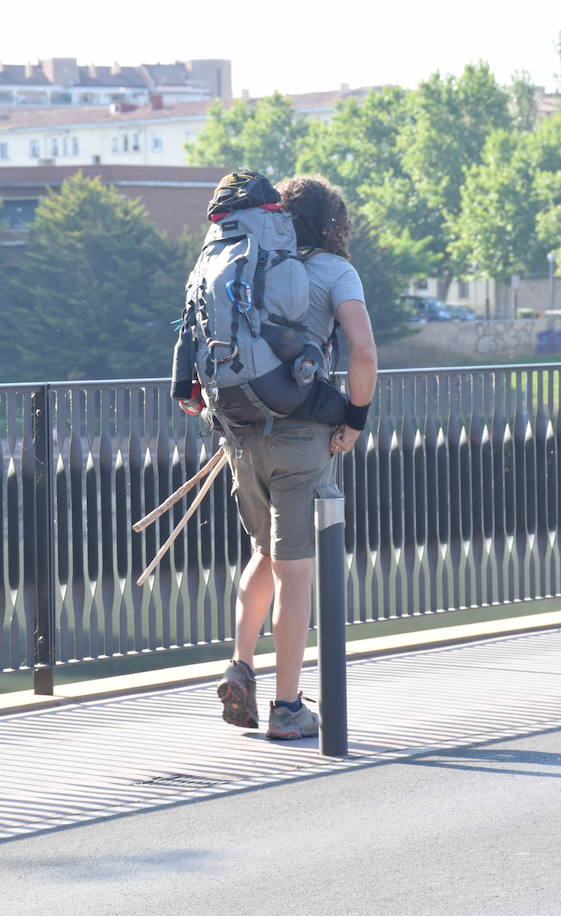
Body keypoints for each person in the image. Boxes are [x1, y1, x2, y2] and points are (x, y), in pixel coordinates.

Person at [215, 175, 378, 739]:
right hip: (301, 438)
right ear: (332, 221)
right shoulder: (335, 270)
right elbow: (361, 350)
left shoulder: (247, 259)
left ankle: (241, 665)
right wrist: (354, 419)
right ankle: (288, 709)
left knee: (264, 553)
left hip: (241, 433)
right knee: (297, 573)